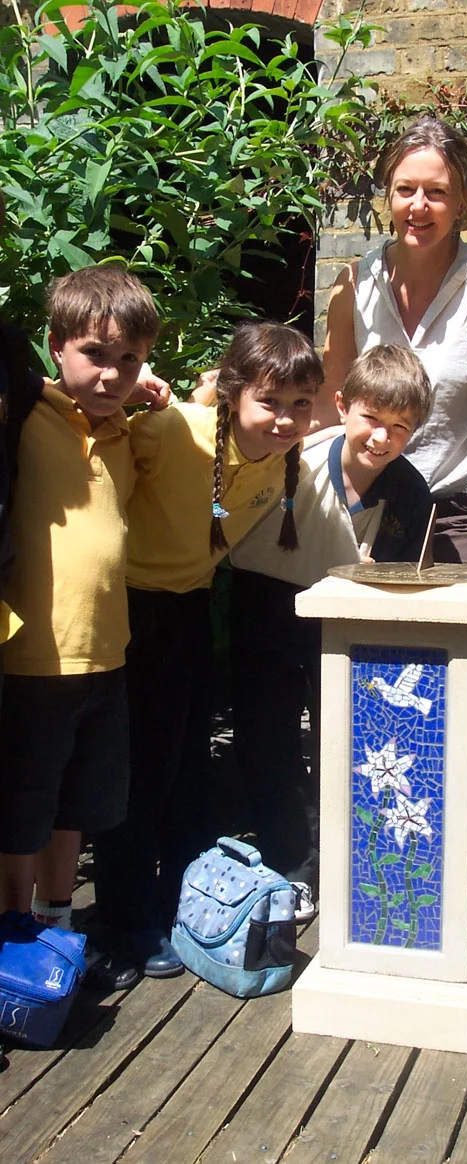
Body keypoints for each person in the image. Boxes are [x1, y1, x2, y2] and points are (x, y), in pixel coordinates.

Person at [91, 320, 323, 983]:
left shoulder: (284, 461)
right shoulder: (172, 431)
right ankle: (123, 924)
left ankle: (185, 909)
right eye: (270, 402)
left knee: (190, 769)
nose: (285, 419)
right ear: (231, 393)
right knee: (140, 775)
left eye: (300, 404)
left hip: (191, 608)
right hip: (132, 609)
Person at [227, 344, 433, 916]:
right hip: (267, 607)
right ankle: (290, 867)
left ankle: (344, 863)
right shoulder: (295, 457)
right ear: (342, 406)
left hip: (348, 623)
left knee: (345, 746)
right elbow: (225, 514)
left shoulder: (412, 494)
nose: (381, 438)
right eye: (371, 418)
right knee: (267, 745)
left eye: (400, 427)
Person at [0, 265, 159, 934]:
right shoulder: (26, 416)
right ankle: (14, 936)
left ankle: (58, 923)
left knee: (77, 810)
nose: (110, 374)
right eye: (94, 354)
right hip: (34, 660)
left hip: (107, 658)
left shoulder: (128, 433)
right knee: (21, 813)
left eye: (129, 360)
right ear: (55, 345)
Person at [322, 117, 467, 566]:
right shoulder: (353, 287)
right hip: (366, 508)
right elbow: (327, 412)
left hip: (459, 516)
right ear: (387, 196)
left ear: (462, 202)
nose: (419, 206)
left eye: (436, 192)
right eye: (406, 189)